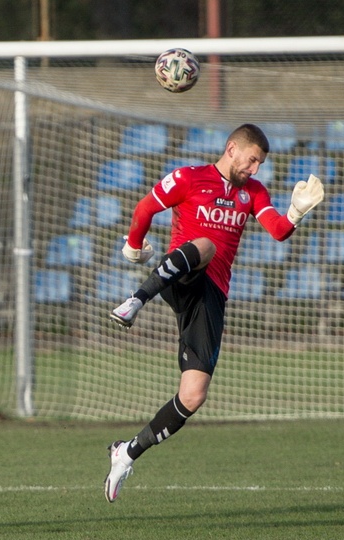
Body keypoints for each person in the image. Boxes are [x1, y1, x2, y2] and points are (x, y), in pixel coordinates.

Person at [104, 124, 324, 502]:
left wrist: (295, 213)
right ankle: (135, 301)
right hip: (179, 276)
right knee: (204, 245)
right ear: (232, 148)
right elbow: (146, 207)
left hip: (211, 295)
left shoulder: (252, 192)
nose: (255, 169)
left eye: (260, 163)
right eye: (252, 160)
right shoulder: (189, 178)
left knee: (193, 395)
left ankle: (126, 453)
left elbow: (276, 230)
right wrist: (134, 246)